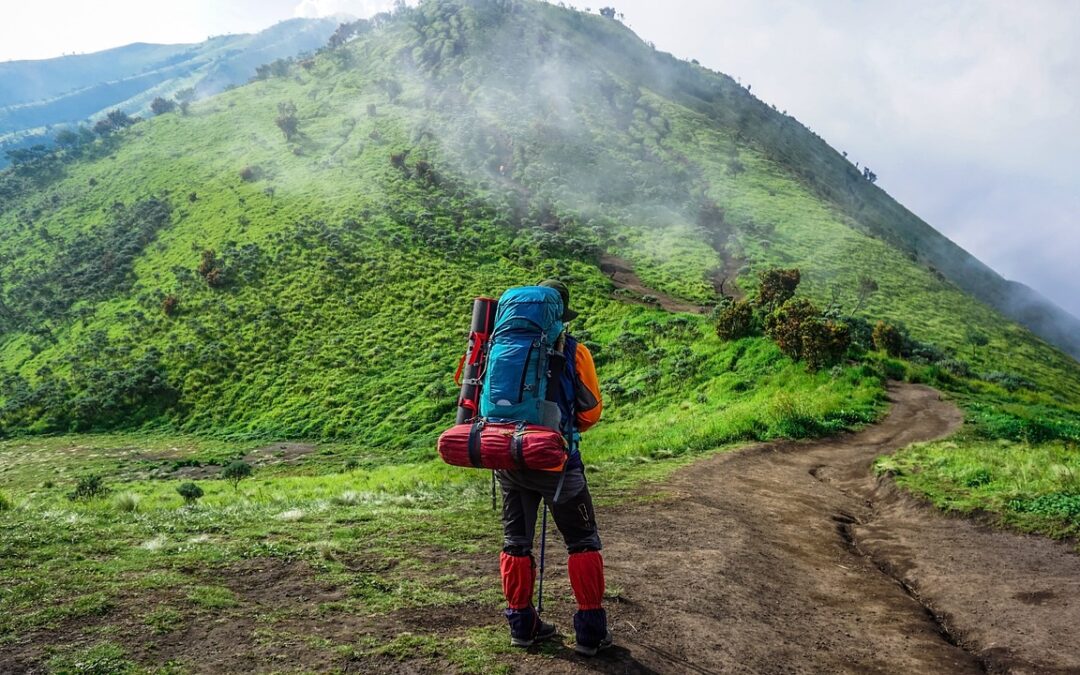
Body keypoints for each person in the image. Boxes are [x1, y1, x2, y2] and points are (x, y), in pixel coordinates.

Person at [497, 279, 612, 656]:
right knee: (582, 542)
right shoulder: (575, 351)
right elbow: (591, 413)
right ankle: (590, 635)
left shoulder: (496, 345)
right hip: (556, 462)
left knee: (516, 544)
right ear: (559, 314)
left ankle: (522, 626)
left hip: (508, 455)